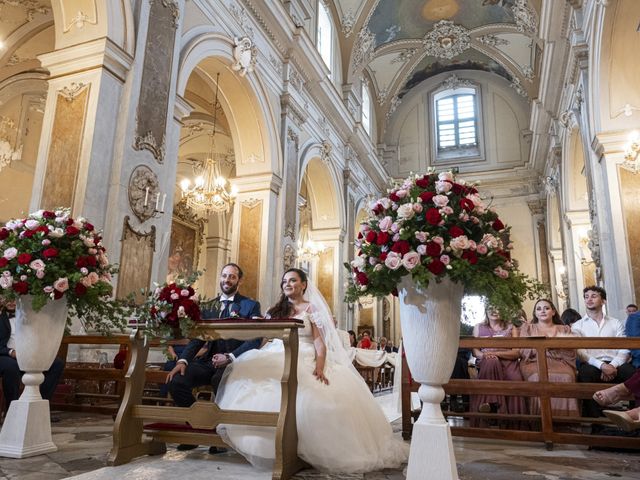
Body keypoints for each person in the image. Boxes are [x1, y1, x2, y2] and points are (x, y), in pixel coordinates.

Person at [215, 268, 408, 473]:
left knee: (311, 397)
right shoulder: (275, 310)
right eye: (284, 281)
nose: (287, 284)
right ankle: (267, 446)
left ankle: (303, 448)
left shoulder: (312, 309)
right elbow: (265, 339)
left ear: (303, 285)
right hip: (276, 351)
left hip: (305, 353)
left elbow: (320, 344)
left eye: (292, 280)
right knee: (251, 376)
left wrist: (319, 366)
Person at [166, 263, 262, 452]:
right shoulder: (209, 306)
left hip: (236, 363)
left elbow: (255, 338)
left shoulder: (251, 305)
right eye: (224, 275)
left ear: (239, 281)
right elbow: (198, 338)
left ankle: (222, 437)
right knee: (176, 381)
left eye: (232, 277)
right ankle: (198, 429)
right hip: (208, 362)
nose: (227, 280)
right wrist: (182, 360)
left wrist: (230, 356)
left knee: (221, 381)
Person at [571, 286, 635, 418]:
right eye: (586, 297)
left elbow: (625, 347)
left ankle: (632, 418)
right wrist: (602, 366)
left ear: (603, 301)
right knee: (585, 374)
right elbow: (580, 352)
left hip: (616, 364)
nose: (589, 299)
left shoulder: (615, 323)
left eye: (594, 296)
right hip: (592, 364)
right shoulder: (577, 325)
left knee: (632, 373)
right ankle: (596, 421)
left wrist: (612, 365)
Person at [519, 299, 579, 417]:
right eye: (539, 309)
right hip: (534, 361)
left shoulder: (564, 329)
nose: (543, 311)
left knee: (566, 377)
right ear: (535, 313)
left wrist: (555, 348)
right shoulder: (528, 328)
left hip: (560, 362)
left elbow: (571, 352)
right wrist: (540, 346)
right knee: (537, 377)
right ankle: (540, 420)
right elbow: (522, 350)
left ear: (553, 312)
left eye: (546, 308)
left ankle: (566, 421)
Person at [0, 300, 64, 407]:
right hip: (5, 355)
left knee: (56, 364)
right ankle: (12, 409)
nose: (11, 302)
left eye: (14, 299)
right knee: (11, 367)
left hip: (29, 353)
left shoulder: (30, 316)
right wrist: (11, 352)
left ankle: (40, 407)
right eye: (7, 299)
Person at [470, 307, 527, 426]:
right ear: (485, 310)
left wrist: (495, 354)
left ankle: (510, 420)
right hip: (487, 362)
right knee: (492, 362)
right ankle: (492, 411)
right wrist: (486, 356)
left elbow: (516, 352)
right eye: (491, 308)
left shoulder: (512, 327)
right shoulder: (478, 327)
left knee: (514, 379)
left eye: (498, 307)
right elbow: (475, 352)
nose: (494, 311)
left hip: (508, 361)